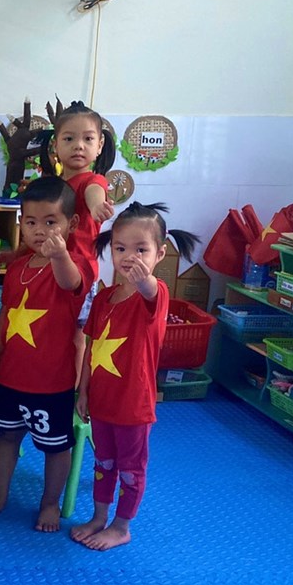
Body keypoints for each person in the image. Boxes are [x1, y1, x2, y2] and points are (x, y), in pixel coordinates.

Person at [71, 202, 199, 551]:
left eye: (141, 250)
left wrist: (144, 279)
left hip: (133, 407)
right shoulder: (103, 299)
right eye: (121, 248)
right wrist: (84, 391)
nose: (130, 257)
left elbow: (150, 289)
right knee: (103, 463)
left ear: (160, 253)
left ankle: (121, 526)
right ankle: (99, 517)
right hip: (101, 402)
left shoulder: (155, 295)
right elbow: (92, 348)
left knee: (131, 468)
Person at [0, 177, 93, 532]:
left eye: (50, 222)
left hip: (52, 383)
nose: (40, 230)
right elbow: (6, 315)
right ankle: (0, 494)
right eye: (30, 222)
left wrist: (60, 253)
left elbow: (69, 282)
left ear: (71, 224)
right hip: (12, 377)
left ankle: (49, 503)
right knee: (7, 437)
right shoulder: (18, 268)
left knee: (55, 447)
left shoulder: (75, 263)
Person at [38, 101, 117, 376]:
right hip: (52, 270)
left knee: (76, 334)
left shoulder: (93, 181)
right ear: (55, 146)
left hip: (79, 274)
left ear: (100, 145)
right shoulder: (56, 186)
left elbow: (94, 193)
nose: (78, 146)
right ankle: (51, 378)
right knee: (52, 328)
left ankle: (72, 389)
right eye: (69, 139)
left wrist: (96, 208)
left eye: (88, 139)